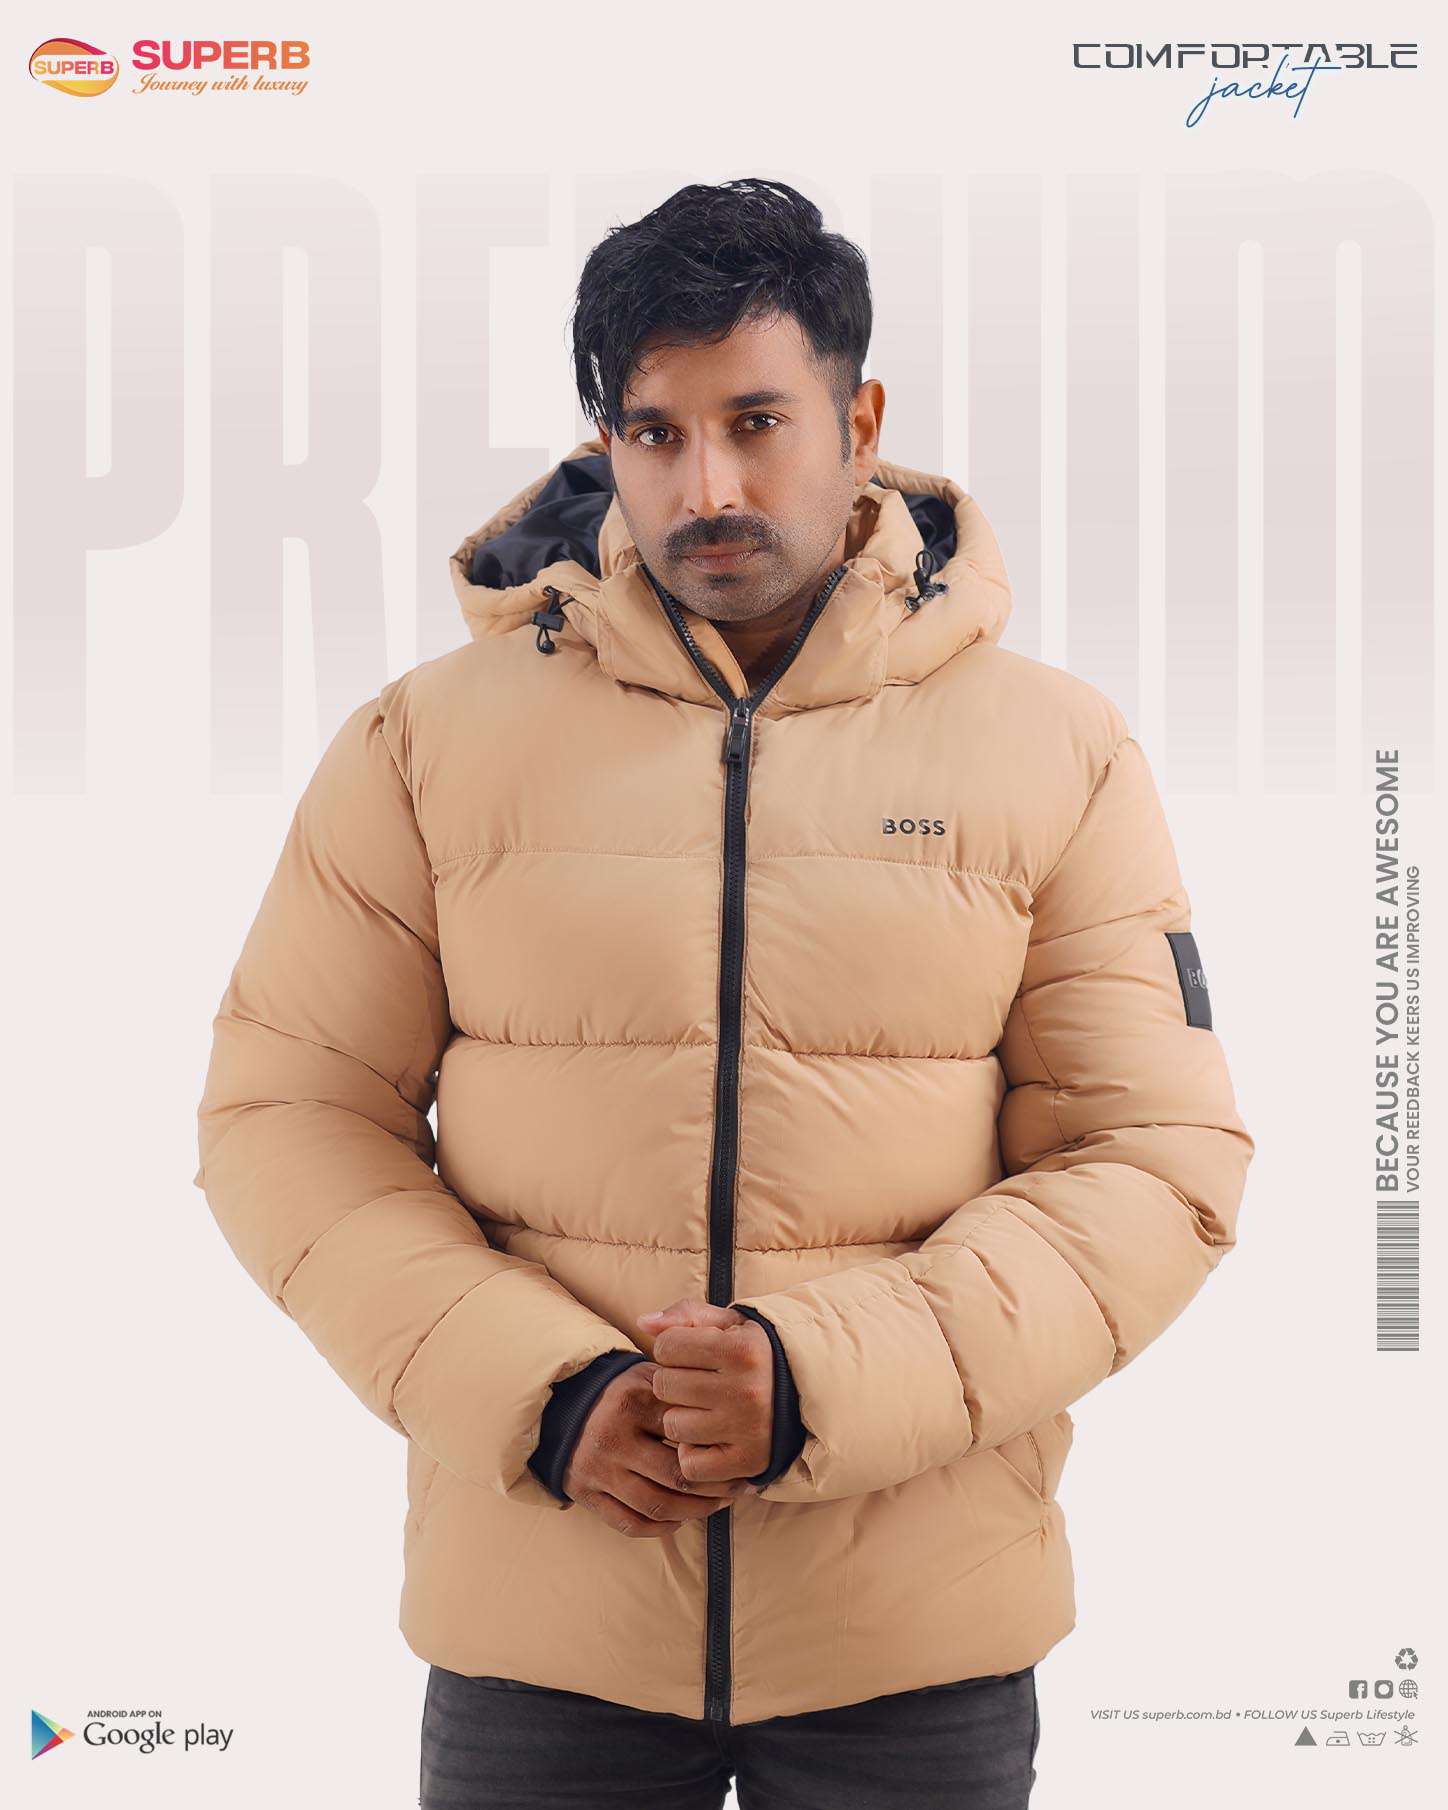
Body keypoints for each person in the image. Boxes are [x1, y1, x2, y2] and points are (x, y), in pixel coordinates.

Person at [194, 177, 1253, 1809]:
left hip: (912, 1642)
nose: (709, 487)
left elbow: (1157, 1163)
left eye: (758, 423)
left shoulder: (1057, 750)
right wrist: (546, 1396)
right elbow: (287, 1116)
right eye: (656, 432)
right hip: (545, 1632)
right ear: (606, 442)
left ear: (859, 421)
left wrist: (823, 1381)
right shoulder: (424, 744)